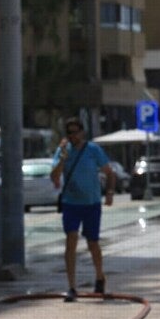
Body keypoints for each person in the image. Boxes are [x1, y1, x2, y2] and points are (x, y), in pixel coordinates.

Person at [51, 117, 116, 302]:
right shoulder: (63, 151)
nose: (73, 136)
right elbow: (54, 176)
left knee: (92, 242)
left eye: (75, 132)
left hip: (91, 203)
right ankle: (72, 286)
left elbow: (109, 172)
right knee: (71, 239)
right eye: (69, 133)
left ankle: (99, 276)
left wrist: (109, 192)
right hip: (71, 203)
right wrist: (62, 159)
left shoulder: (93, 150)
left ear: (82, 132)